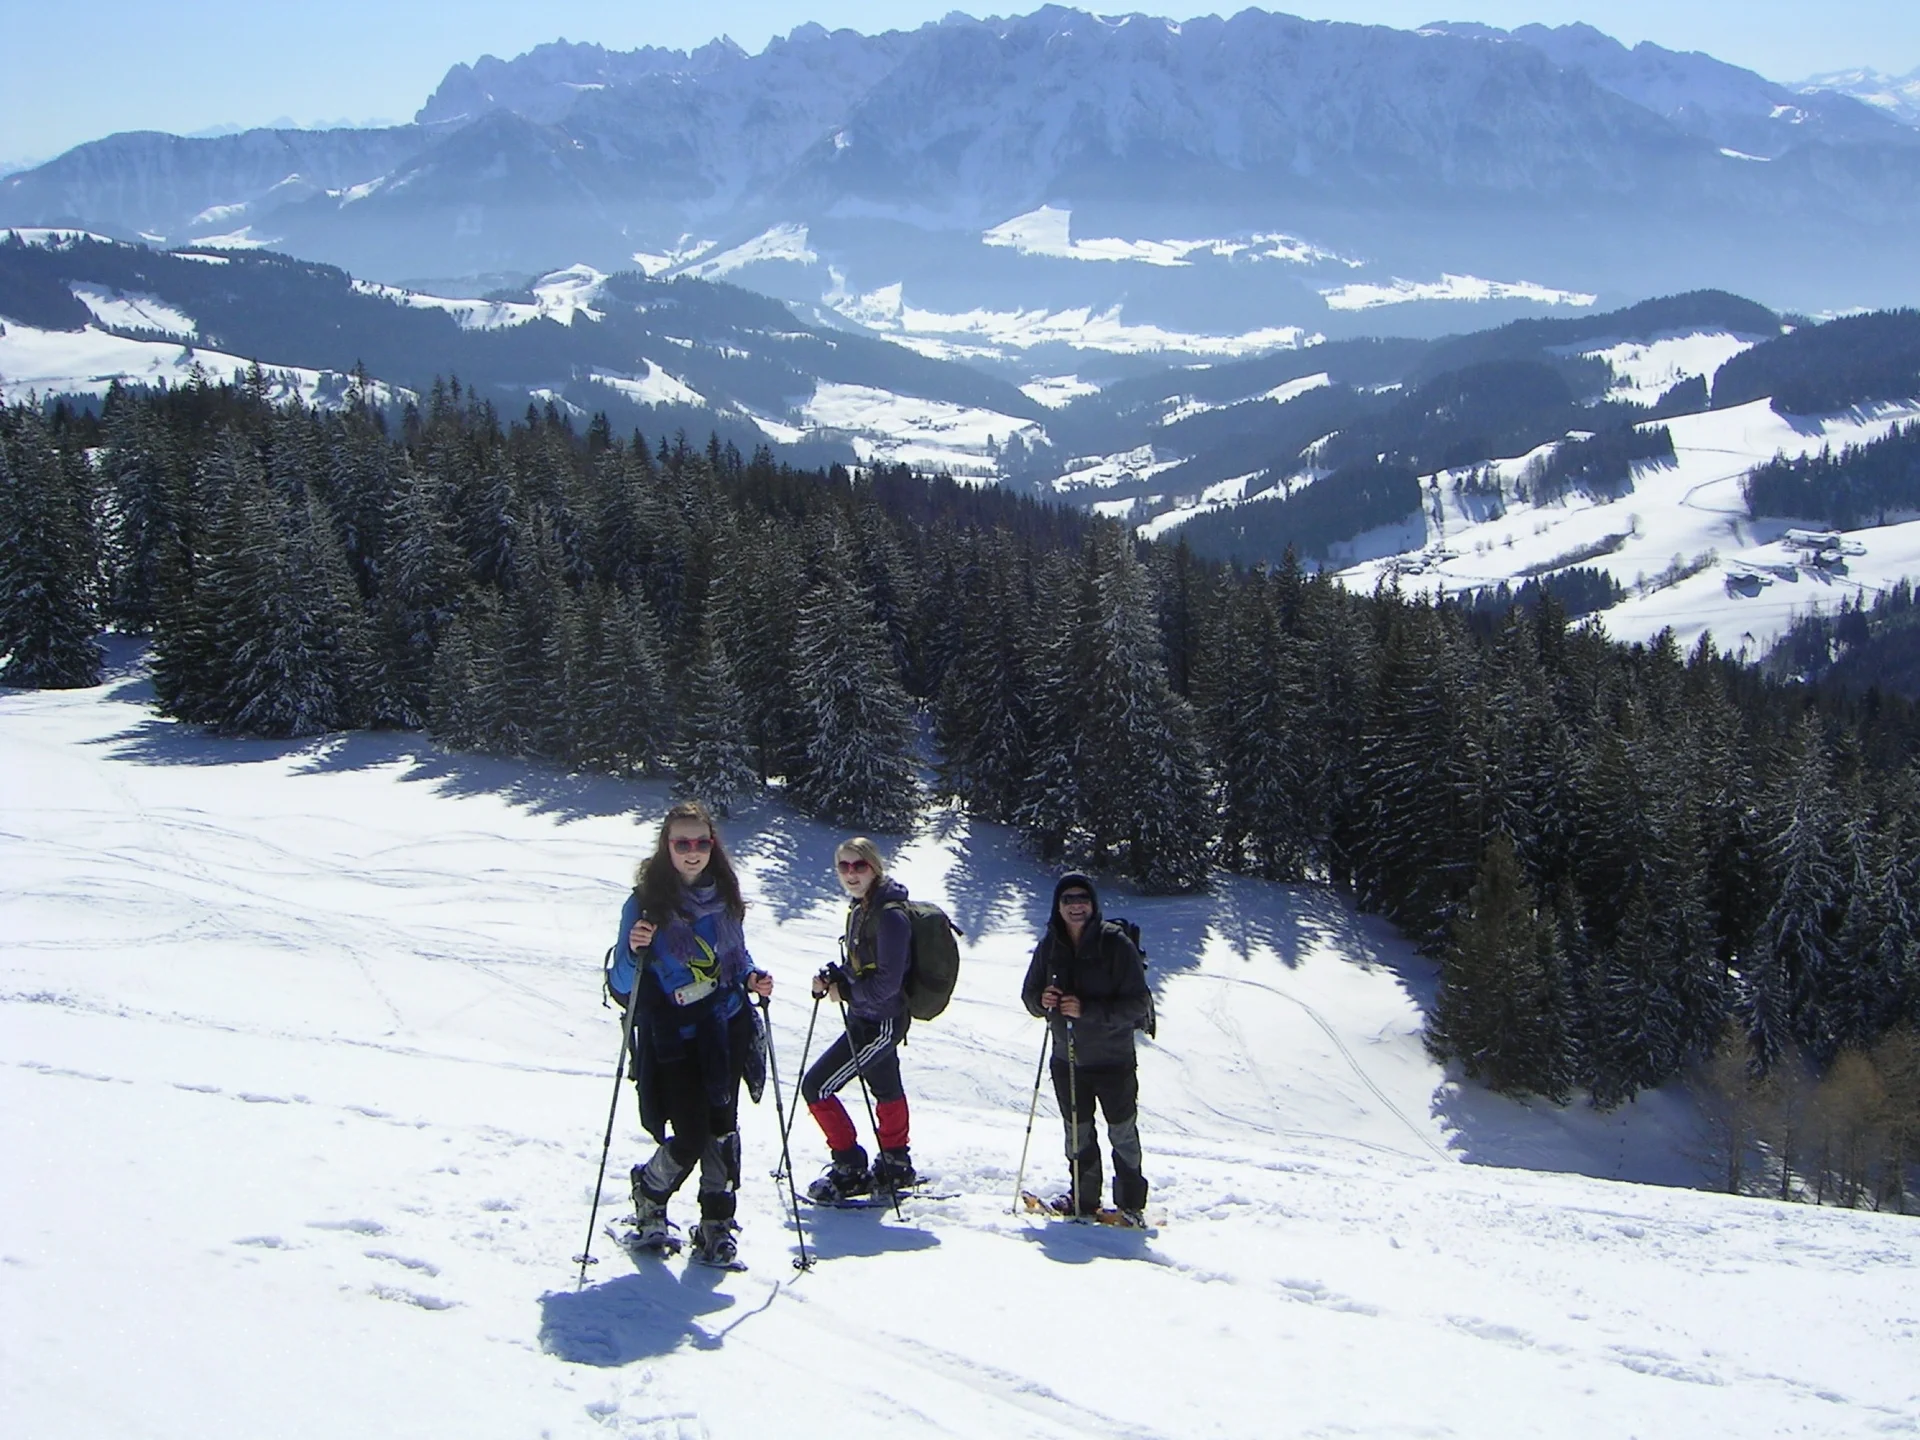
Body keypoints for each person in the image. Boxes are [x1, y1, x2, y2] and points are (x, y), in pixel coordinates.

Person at [607, 800, 773, 1266]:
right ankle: (650, 1193)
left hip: (728, 1025)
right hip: (675, 1036)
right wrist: (635, 950)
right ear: (667, 846)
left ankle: (717, 1222)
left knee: (722, 1128)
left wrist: (752, 978)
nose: (693, 851)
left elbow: (735, 960)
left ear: (713, 845)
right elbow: (622, 982)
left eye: (702, 842)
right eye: (682, 843)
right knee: (690, 1132)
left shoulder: (725, 895)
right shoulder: (644, 904)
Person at [1021, 871, 1151, 1223]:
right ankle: (1083, 1199)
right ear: (1058, 905)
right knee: (1076, 1134)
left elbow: (1138, 1004)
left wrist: (1087, 1010)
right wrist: (1041, 1000)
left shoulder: (1115, 944)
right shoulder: (1051, 945)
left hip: (1113, 1059)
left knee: (1122, 1132)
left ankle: (1131, 1205)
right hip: (1068, 1059)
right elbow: (1028, 994)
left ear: (1093, 904)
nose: (1076, 905)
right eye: (1068, 899)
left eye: (1082, 899)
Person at [801, 836, 917, 1202]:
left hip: (880, 1022)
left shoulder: (891, 915)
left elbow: (887, 982)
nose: (851, 874)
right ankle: (895, 1162)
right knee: (885, 1088)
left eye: (859, 866)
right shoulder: (862, 907)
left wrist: (846, 992)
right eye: (844, 866)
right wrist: (837, 977)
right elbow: (863, 966)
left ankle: (850, 1166)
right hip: (868, 1017)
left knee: (816, 1087)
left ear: (874, 867)